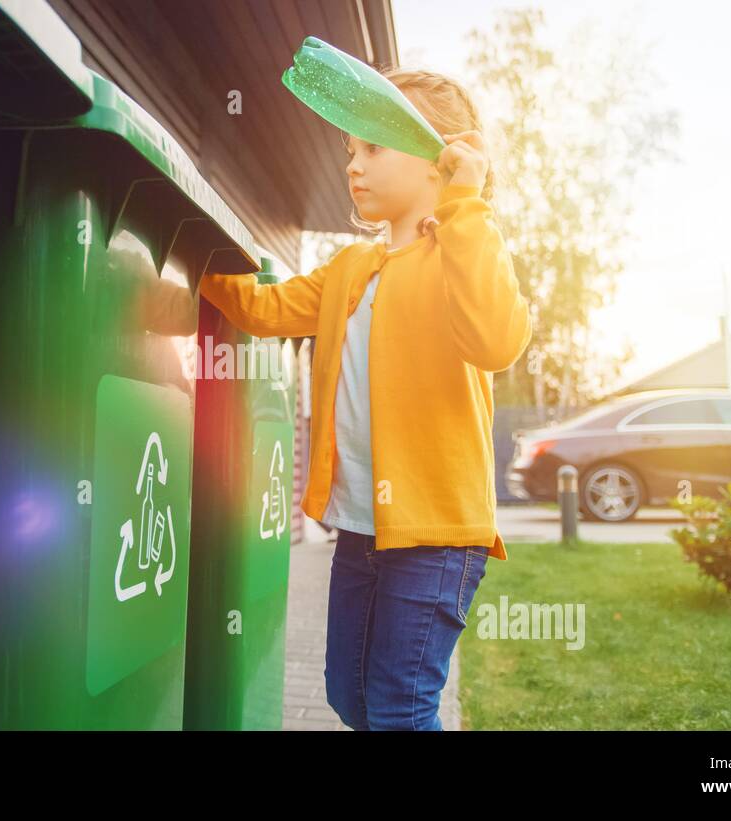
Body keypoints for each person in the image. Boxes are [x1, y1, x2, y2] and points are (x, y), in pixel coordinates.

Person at [198, 68, 532, 730]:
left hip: (437, 533)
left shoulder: (460, 252)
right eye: (351, 151)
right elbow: (267, 307)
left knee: (400, 710)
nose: (354, 165)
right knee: (350, 696)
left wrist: (466, 203)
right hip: (360, 530)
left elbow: (498, 338)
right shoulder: (352, 267)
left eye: (373, 148)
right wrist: (193, 259)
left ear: (445, 154)